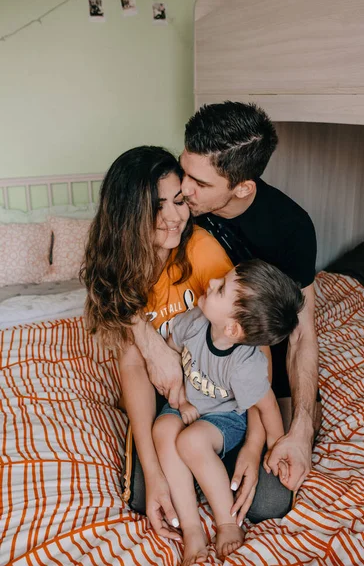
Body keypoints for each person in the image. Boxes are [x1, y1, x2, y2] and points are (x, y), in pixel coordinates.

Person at [144, 101, 320, 524]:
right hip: (194, 369)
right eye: (185, 170)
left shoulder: (291, 228)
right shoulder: (176, 209)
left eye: (199, 182)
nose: (183, 190)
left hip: (251, 376)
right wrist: (150, 342)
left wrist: (297, 430)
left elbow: (301, 333)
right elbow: (118, 276)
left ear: (241, 187)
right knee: (144, 495)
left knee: (268, 504)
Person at [81, 146, 233, 540]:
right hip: (163, 404)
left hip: (215, 397)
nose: (173, 216)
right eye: (156, 205)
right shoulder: (119, 268)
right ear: (127, 216)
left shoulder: (202, 251)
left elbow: (244, 338)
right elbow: (133, 365)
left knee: (268, 501)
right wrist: (152, 470)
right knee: (144, 497)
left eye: (179, 200)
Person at [152, 259, 304, 564]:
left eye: (220, 289)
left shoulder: (245, 365)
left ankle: (227, 523)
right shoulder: (195, 321)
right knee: (162, 430)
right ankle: (193, 529)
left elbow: (267, 405)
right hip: (186, 403)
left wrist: (275, 444)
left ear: (233, 328)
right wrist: (178, 395)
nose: (210, 284)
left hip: (225, 418)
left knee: (191, 442)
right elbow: (168, 352)